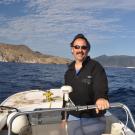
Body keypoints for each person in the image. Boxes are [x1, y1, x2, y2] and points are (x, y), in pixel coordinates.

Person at [61, 33, 109, 134]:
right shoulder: (68, 72)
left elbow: (99, 87)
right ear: (72, 49)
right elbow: (66, 97)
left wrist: (101, 98)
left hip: (93, 117)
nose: (80, 50)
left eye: (83, 47)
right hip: (73, 116)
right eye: (77, 47)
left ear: (87, 50)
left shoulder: (96, 67)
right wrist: (63, 117)